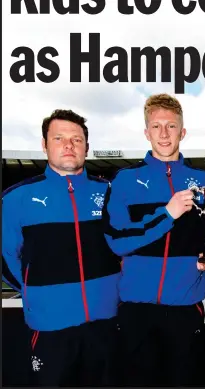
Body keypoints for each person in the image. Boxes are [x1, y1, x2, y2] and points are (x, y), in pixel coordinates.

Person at [102, 93, 205, 386]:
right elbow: (117, 240)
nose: (164, 134)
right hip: (136, 309)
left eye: (171, 126)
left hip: (185, 306)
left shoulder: (203, 179)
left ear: (183, 131)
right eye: (156, 126)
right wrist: (167, 214)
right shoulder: (125, 180)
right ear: (146, 132)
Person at [2, 109, 121, 386]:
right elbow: (5, 257)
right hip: (50, 327)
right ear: (44, 145)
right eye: (59, 138)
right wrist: (37, 292)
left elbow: (126, 248)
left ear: (87, 147)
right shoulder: (16, 198)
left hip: (107, 323)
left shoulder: (110, 193)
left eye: (77, 139)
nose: (69, 145)